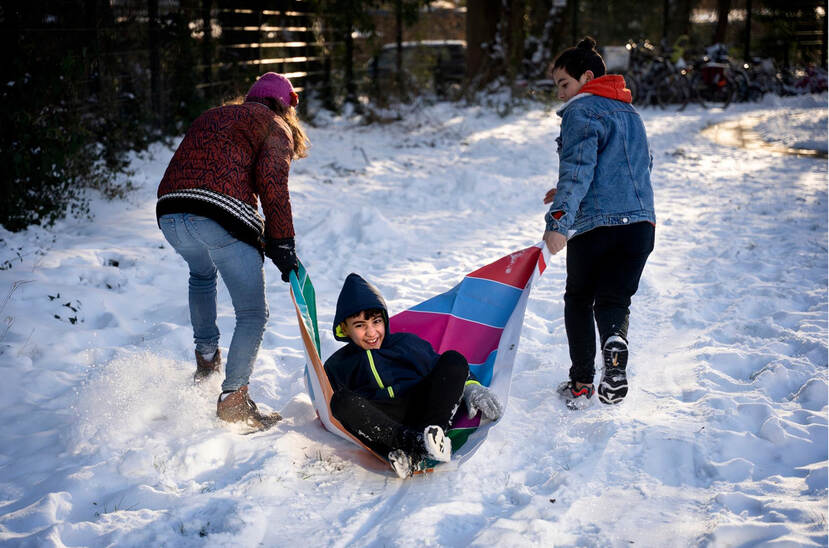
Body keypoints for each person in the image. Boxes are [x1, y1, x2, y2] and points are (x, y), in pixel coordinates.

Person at [156, 72, 309, 428]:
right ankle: (234, 398)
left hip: (170, 212)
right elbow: (273, 187)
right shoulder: (273, 125)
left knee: (201, 274)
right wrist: (282, 243)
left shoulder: (212, 115)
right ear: (286, 107)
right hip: (217, 215)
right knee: (253, 313)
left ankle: (206, 360)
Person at [542, 37, 655, 410]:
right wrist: (566, 189)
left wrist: (559, 221)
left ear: (587, 77)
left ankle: (581, 383)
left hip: (596, 228)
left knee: (578, 299)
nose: (561, 95)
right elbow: (637, 167)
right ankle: (613, 342)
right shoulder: (631, 113)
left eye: (564, 84)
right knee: (614, 299)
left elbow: (578, 170)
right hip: (640, 226)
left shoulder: (581, 110)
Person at [324, 273, 503, 478]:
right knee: (341, 401)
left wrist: (471, 386)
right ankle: (411, 446)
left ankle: (433, 433)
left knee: (453, 358)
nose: (371, 333)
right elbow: (336, 408)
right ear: (345, 329)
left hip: (421, 406)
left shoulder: (405, 343)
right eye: (360, 325)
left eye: (376, 322)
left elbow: (445, 369)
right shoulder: (338, 364)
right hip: (384, 420)